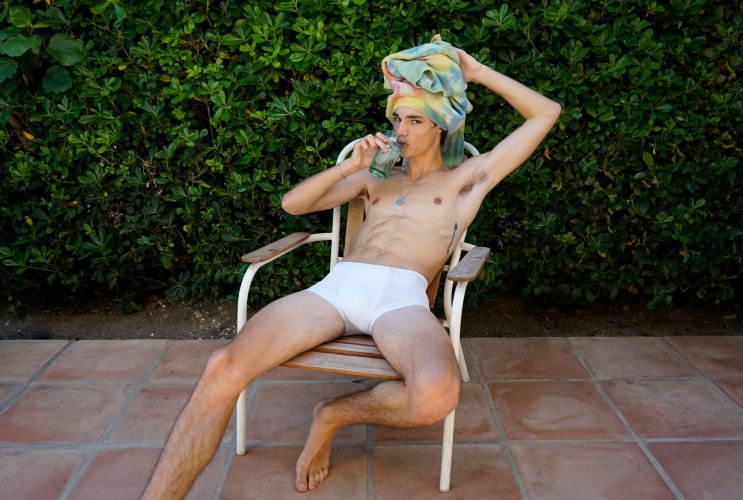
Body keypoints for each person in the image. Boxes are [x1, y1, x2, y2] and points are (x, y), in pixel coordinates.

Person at [142, 35, 560, 498]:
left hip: (401, 301)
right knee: (222, 366)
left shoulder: (465, 182)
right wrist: (349, 167)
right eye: (397, 118)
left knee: (436, 395)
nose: (401, 130)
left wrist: (475, 71)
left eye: (415, 120)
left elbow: (546, 113)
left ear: (440, 126)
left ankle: (333, 414)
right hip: (337, 290)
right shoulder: (374, 177)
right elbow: (293, 204)